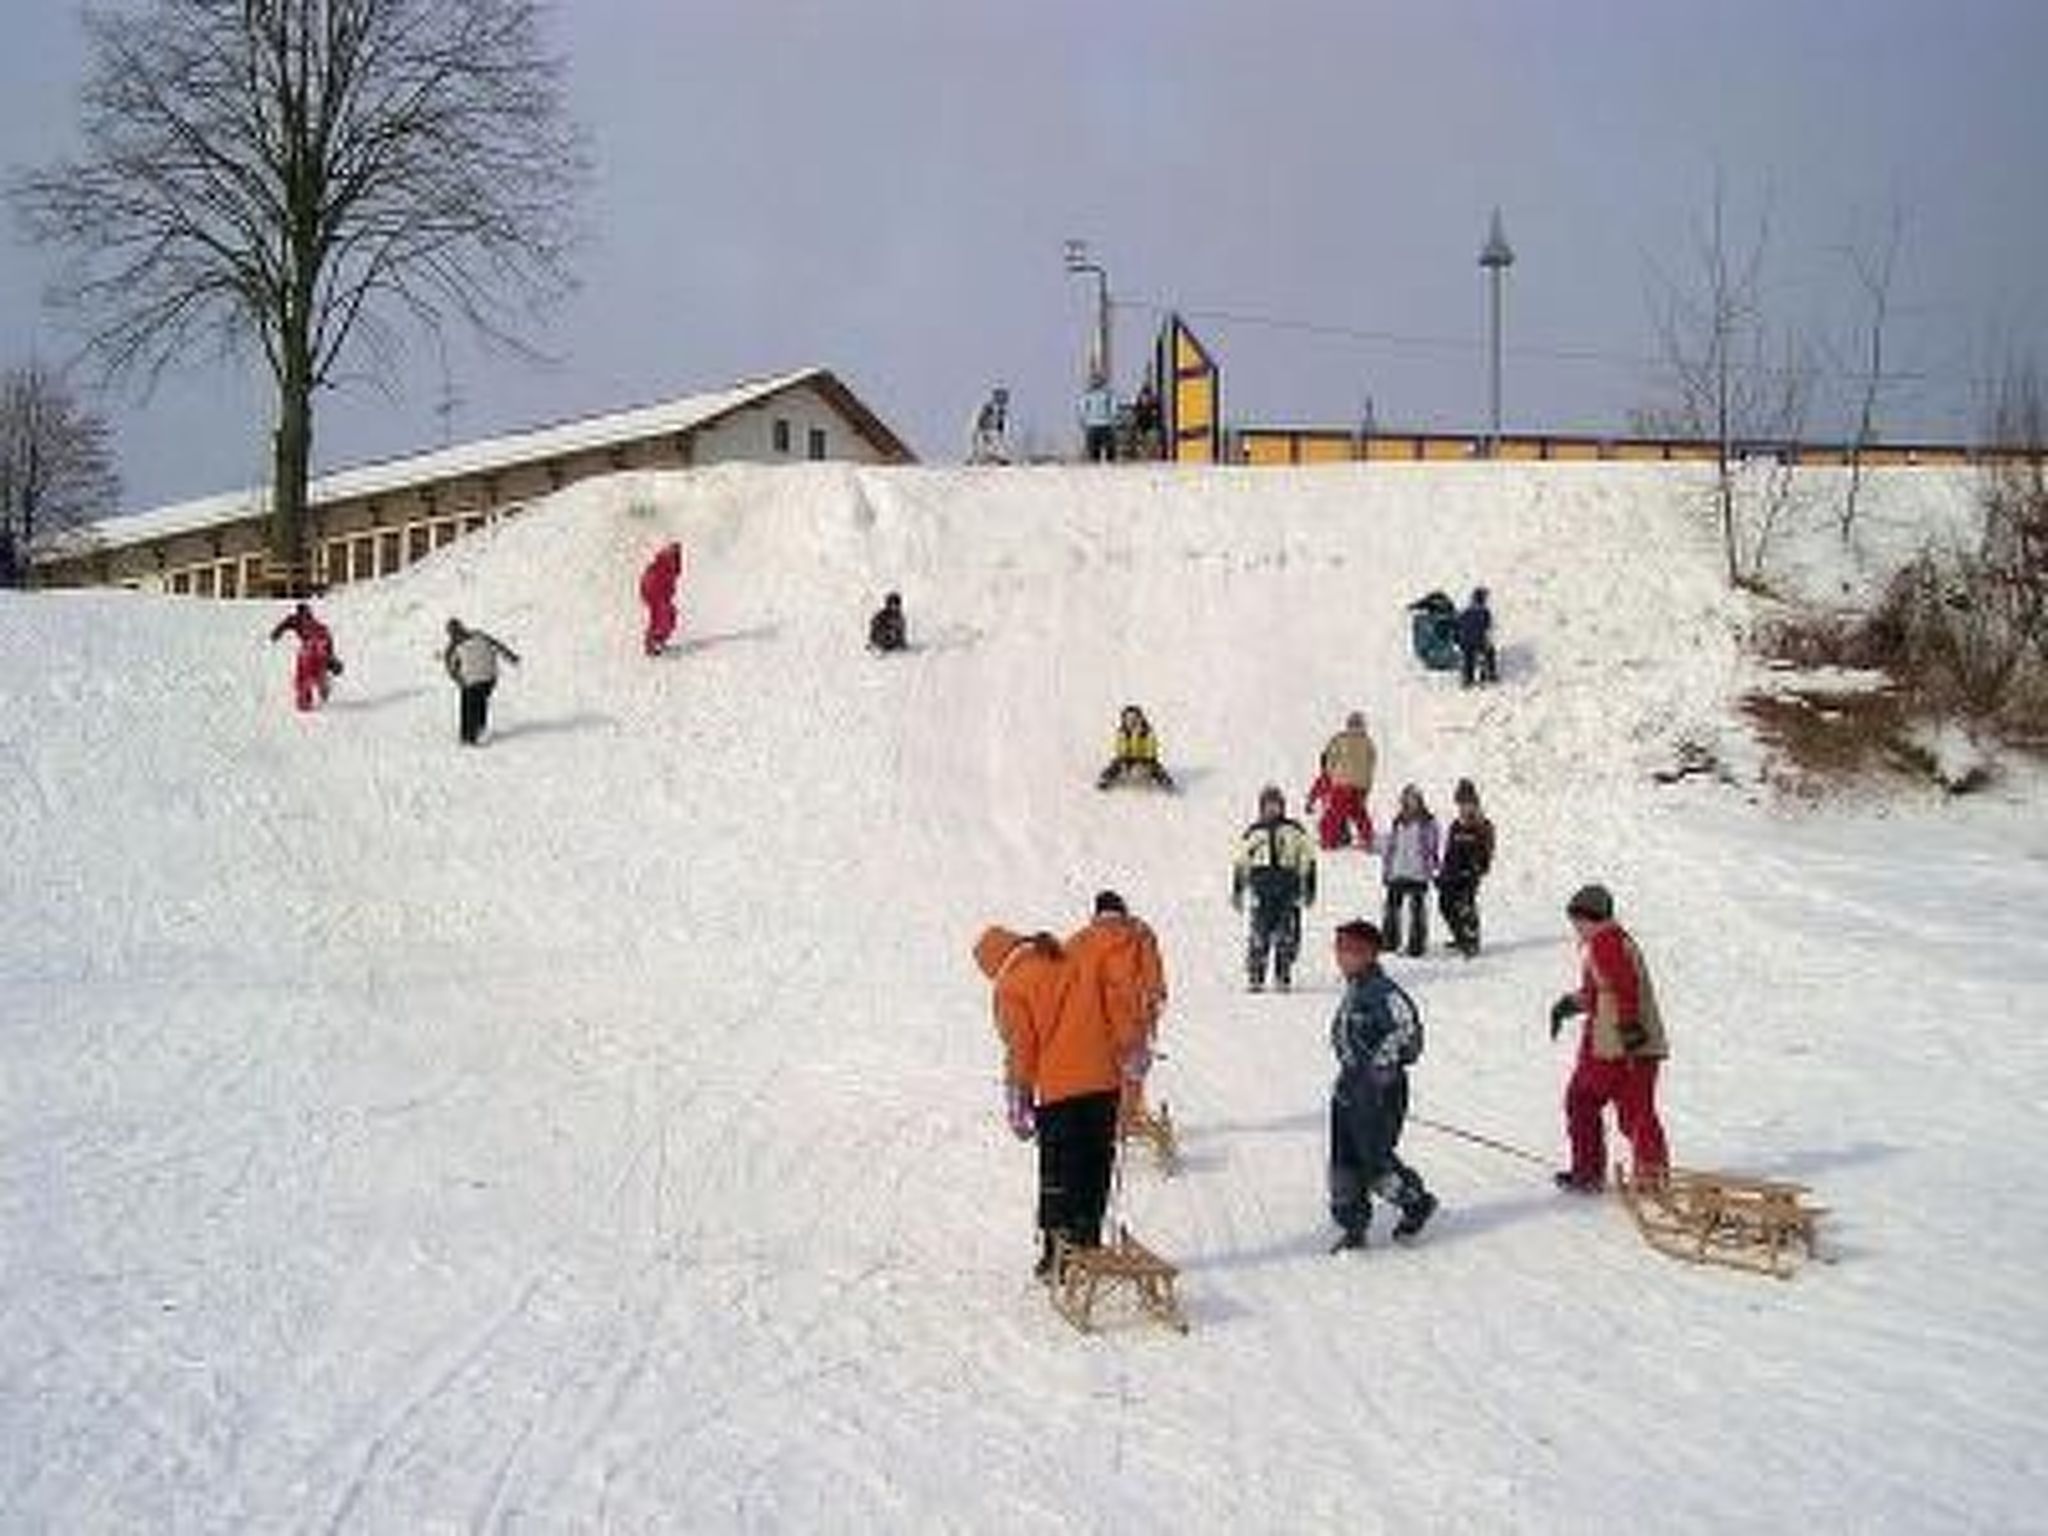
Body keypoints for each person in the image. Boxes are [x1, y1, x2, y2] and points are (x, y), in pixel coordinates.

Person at [976, 921, 1148, 1281]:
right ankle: (1087, 1242)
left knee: (1060, 1172)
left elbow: (1022, 1048)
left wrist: (1018, 1096)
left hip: (1060, 1093)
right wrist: (1132, 1046)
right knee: (1095, 1165)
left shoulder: (1010, 986)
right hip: (1104, 1084)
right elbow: (1113, 1003)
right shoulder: (1070, 959)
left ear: (994, 965)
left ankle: (1056, 1255)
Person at [1548, 884, 1671, 1192]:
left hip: (1625, 1046)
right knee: (1588, 1101)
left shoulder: (1606, 942)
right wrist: (1569, 1004)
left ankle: (1646, 1177)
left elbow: (1624, 986)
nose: (1575, 928)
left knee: (1629, 1111)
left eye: (1576, 920)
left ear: (1589, 917)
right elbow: (1598, 993)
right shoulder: (1606, 942)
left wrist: (1630, 1029)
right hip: (1610, 1045)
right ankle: (1598, 1173)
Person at [1326, 918, 1437, 1250]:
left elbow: (1409, 1033)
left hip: (1378, 1092)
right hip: (1349, 1088)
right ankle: (1353, 1226)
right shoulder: (1356, 987)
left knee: (1374, 1161)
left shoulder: (1384, 992)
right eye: (1339, 948)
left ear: (1369, 954)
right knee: (1343, 1161)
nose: (1341, 956)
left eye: (1349, 950)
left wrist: (1382, 1064)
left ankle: (1415, 1201)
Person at [1064, 890, 1168, 1139]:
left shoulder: (1081, 940)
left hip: (1094, 1019)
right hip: (1133, 1018)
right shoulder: (1141, 934)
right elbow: (1153, 974)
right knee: (1132, 1071)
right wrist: (1155, 1001)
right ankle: (1129, 1118)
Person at [1231, 784, 1318, 992]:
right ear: (1261, 808)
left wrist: (1310, 887)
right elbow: (1242, 862)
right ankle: (1256, 975)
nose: (1273, 810)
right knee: (1259, 933)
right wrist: (1238, 889)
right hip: (1262, 887)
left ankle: (1283, 974)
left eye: (1276, 805)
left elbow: (1308, 858)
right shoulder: (1254, 832)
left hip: (1288, 887)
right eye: (1268, 806)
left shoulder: (1294, 830)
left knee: (1286, 934)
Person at [1379, 785, 1441, 958]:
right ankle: (1390, 941)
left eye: (1413, 799)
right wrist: (1387, 869)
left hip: (1417, 872)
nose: (1410, 803)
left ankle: (1417, 945)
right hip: (1398, 870)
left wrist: (1432, 867)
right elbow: (1392, 846)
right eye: (1407, 799)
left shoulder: (1428, 822)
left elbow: (1433, 846)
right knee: (1392, 907)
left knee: (1417, 909)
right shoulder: (1398, 821)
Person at [1436, 778, 1496, 957]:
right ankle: (1460, 936)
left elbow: (1488, 849)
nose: (1464, 807)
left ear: (1475, 803)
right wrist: (1443, 872)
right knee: (1445, 905)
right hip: (1452, 872)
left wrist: (1479, 867)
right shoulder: (1456, 825)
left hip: (1470, 874)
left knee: (1466, 906)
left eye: (1468, 803)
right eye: (1461, 803)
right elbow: (1449, 850)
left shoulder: (1483, 825)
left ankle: (1471, 942)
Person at [1305, 710, 1378, 850]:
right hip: (1360, 786)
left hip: (1343, 784)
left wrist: (1311, 800)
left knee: (1333, 814)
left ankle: (1328, 841)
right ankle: (1367, 838)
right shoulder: (1369, 743)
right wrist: (1366, 787)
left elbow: (1325, 774)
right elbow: (1371, 765)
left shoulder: (1340, 739)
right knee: (1359, 812)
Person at [442, 617, 521, 746]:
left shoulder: (453, 647)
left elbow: (451, 667)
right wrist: (511, 657)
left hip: (473, 680)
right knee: (481, 701)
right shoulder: (479, 635)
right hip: (489, 678)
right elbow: (497, 645)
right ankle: (480, 728)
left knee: (468, 706)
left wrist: (459, 680)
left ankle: (468, 736)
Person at [267, 600, 336, 712]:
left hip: (318, 651)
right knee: (304, 676)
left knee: (316, 672)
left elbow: (327, 642)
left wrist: (330, 658)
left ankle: (322, 686)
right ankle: (305, 700)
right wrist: (277, 632)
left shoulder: (319, 627)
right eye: (301, 616)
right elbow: (286, 623)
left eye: (306, 616)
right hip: (308, 651)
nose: (303, 619)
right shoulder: (296, 621)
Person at [1096, 704, 1176, 791]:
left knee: (1155, 767)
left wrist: (1147, 760)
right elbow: (1120, 748)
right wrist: (1125, 760)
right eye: (1129, 720)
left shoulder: (1147, 733)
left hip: (1145, 757)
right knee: (1116, 764)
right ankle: (1105, 778)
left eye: (1134, 719)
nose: (1132, 722)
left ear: (1140, 719)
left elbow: (1152, 747)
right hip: (1128, 757)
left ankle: (1165, 781)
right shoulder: (1123, 733)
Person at [639, 541, 682, 656]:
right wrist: (655, 596)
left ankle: (659, 641)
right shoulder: (659, 565)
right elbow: (648, 582)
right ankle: (652, 644)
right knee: (661, 617)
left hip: (662, 596)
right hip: (656, 595)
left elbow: (673, 577)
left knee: (670, 616)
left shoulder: (672, 565)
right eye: (674, 552)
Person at [1456, 586, 1498, 687]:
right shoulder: (1485, 612)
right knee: (1490, 652)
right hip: (1478, 641)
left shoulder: (1465, 612)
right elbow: (1487, 629)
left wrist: (1459, 641)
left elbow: (1458, 626)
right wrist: (1487, 642)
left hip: (1465, 642)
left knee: (1468, 657)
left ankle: (1468, 679)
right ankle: (1490, 674)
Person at [969, 386, 1012, 464]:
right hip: (986, 433)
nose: (1003, 400)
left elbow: (1001, 428)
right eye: (1000, 397)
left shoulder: (1001, 411)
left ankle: (995, 458)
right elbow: (980, 423)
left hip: (992, 434)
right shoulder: (989, 408)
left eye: (1004, 398)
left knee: (996, 447)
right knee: (990, 448)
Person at [1080, 379, 1116, 462]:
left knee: (1108, 451)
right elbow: (1083, 408)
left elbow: (1113, 407)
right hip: (1094, 425)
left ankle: (1108, 467)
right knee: (1095, 451)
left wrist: (1112, 419)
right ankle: (1097, 468)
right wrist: (1084, 421)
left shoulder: (1108, 394)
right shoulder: (1088, 395)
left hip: (1104, 424)